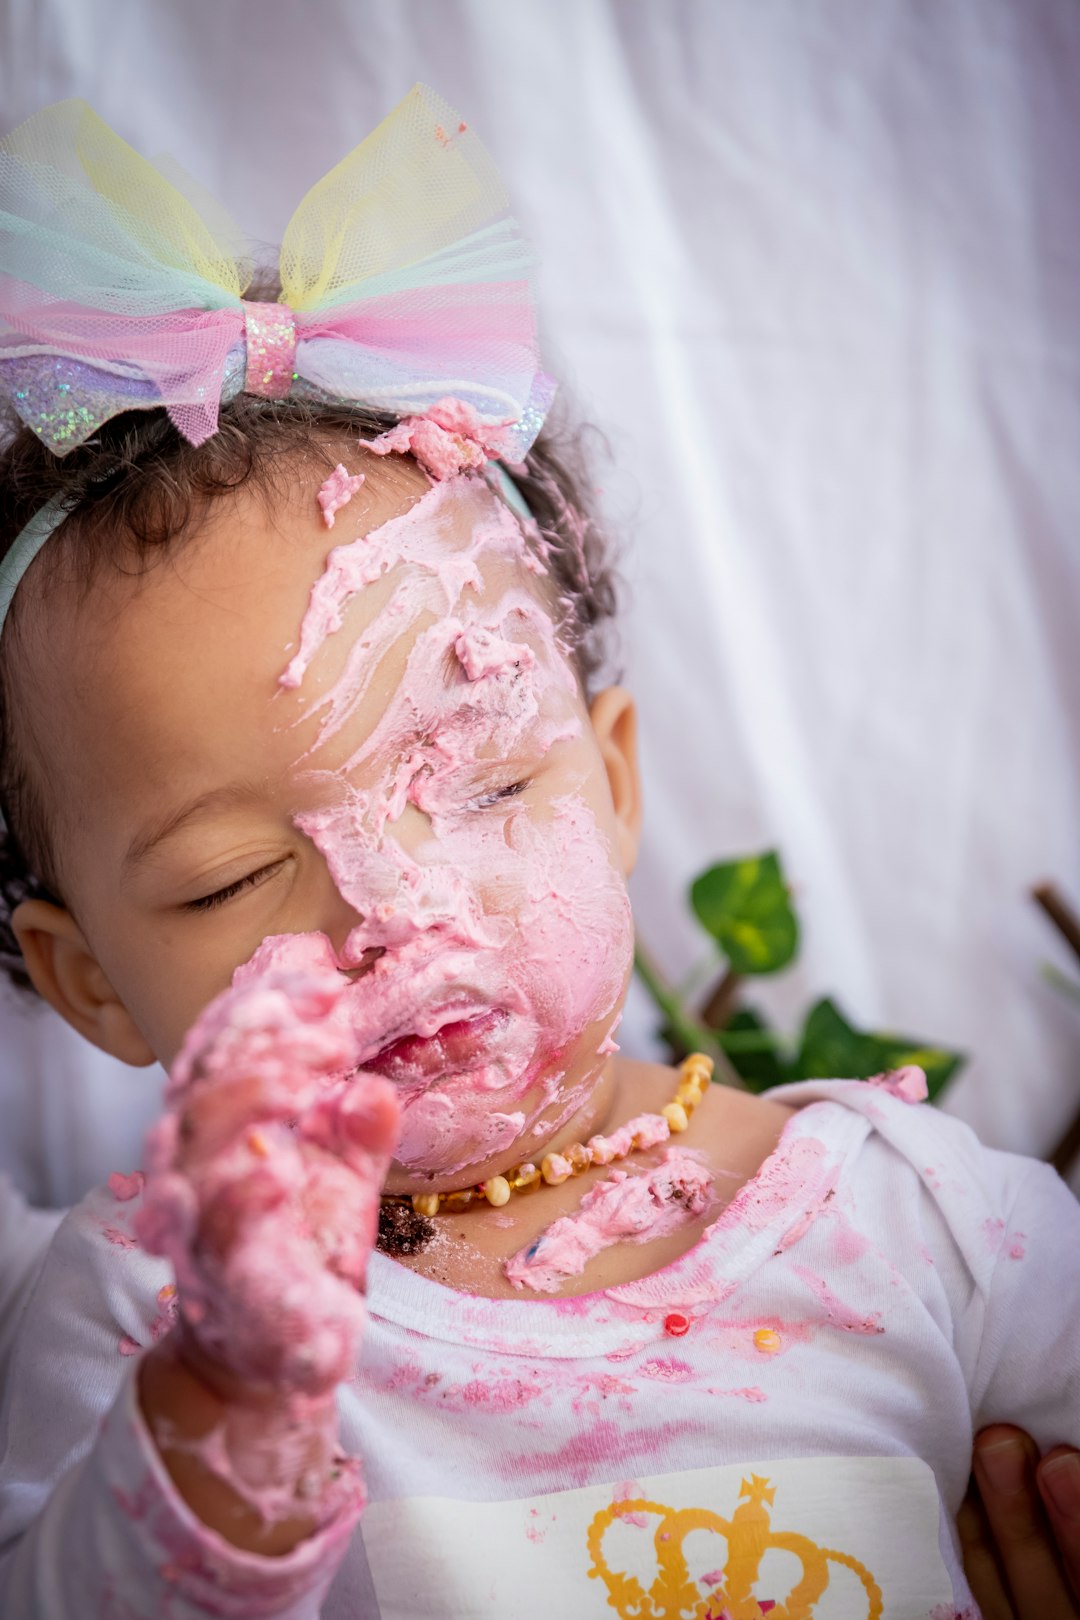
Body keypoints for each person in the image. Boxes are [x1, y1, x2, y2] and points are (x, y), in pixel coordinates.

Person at [0, 86, 1077, 1620]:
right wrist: (215, 1422)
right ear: (90, 978)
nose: (404, 914)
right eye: (232, 877)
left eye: (493, 786)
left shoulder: (919, 1223)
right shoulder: (146, 1307)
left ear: (617, 783)